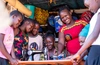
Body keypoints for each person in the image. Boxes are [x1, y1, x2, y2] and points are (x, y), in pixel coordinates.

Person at [71, 0, 100, 65]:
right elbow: (93, 43)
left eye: (88, 6)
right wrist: (81, 56)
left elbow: (94, 36)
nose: (89, 9)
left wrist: (78, 53)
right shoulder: (96, 14)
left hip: (97, 53)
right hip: (93, 52)